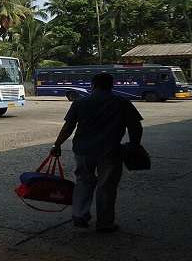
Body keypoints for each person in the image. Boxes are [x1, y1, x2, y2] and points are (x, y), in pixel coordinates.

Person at [50, 73, 143, 233]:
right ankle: (105, 223)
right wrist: (134, 145)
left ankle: (79, 214)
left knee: (83, 181)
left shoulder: (80, 102)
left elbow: (68, 127)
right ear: (111, 85)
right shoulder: (122, 102)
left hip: (83, 150)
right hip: (110, 151)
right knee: (106, 186)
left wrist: (57, 145)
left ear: (93, 86)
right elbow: (136, 127)